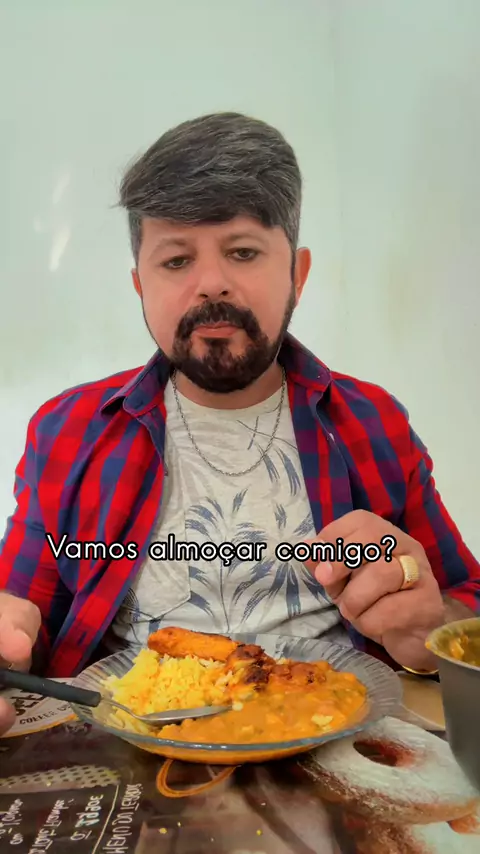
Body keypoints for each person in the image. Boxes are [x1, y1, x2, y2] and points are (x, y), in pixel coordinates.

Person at [0, 112, 478, 736]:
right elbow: (22, 619)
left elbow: (464, 602)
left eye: (243, 252)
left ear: (297, 274)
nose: (212, 284)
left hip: (334, 737)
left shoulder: (372, 422)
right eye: (176, 260)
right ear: (140, 284)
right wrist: (9, 645)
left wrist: (433, 632)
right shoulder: (68, 430)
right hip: (132, 748)